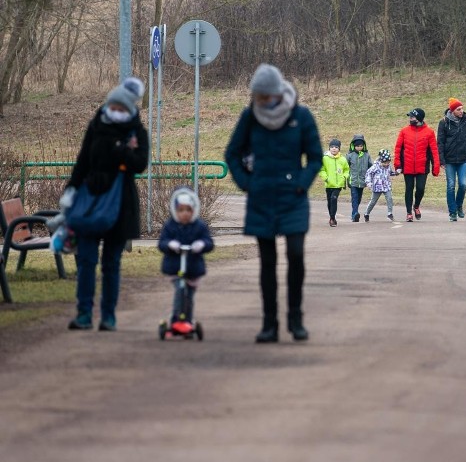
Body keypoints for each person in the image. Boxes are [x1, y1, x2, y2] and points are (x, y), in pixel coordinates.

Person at [225, 63, 323, 343]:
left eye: (265, 96)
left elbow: (315, 157)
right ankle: (270, 323)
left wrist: (302, 183)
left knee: (296, 255)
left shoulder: (301, 116)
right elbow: (232, 154)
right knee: (267, 261)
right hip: (262, 197)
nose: (261, 101)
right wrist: (247, 183)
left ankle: (296, 318)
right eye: (257, 97)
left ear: (277, 93)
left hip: (293, 197)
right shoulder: (250, 117)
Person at [62, 77, 149, 331]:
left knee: (112, 262)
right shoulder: (97, 124)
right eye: (114, 106)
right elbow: (83, 161)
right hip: (90, 200)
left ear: (130, 109)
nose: (117, 111)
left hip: (121, 205)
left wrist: (121, 150)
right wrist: (71, 190)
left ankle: (108, 316)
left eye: (122, 109)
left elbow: (140, 164)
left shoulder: (137, 131)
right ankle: (84, 314)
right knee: (87, 261)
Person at [157, 187, 214, 334]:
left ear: (193, 210)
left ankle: (187, 321)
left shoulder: (199, 226)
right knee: (180, 292)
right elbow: (162, 243)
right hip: (176, 267)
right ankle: (176, 320)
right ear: (175, 210)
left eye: (188, 210)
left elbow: (209, 242)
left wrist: (201, 244)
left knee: (189, 297)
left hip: (193, 268)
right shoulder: (170, 226)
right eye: (181, 210)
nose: (185, 214)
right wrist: (170, 244)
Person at [437, 97, 466, 222]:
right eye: (458, 109)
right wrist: (442, 160)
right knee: (451, 185)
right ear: (452, 111)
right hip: (449, 160)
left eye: (462, 108)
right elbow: (440, 142)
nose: (462, 111)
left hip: (463, 159)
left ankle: (459, 205)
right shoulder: (444, 122)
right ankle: (452, 212)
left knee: (463, 185)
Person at [394, 108, 440, 222]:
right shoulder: (404, 131)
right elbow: (398, 148)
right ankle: (409, 212)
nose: (410, 119)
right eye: (410, 117)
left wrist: (436, 167)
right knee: (409, 189)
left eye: (412, 117)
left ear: (419, 118)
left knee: (420, 188)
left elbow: (434, 151)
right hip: (408, 166)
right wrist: (398, 165)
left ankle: (416, 206)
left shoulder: (429, 132)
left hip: (422, 166)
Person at [319, 138, 350, 227]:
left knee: (334, 198)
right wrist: (326, 178)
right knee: (329, 201)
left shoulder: (343, 159)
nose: (334, 148)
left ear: (339, 148)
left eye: (336, 147)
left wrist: (344, 177)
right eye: (332, 147)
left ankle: (332, 219)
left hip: (338, 185)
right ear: (329, 148)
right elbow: (322, 169)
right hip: (329, 184)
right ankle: (332, 217)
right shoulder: (325, 158)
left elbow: (347, 170)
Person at [364, 149, 398, 222]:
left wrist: (396, 173)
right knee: (373, 201)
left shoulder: (388, 166)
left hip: (386, 186)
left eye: (388, 162)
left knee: (389, 199)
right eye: (384, 163)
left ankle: (390, 213)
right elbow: (368, 173)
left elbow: (390, 173)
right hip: (377, 187)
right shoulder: (375, 166)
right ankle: (366, 213)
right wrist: (369, 183)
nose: (386, 164)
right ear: (381, 161)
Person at [346, 134, 372, 222]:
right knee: (354, 197)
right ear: (353, 146)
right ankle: (354, 214)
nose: (359, 147)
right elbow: (345, 168)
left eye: (361, 146)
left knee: (359, 198)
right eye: (357, 146)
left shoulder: (366, 155)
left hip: (362, 181)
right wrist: (347, 178)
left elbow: (370, 167)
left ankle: (355, 212)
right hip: (353, 181)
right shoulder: (350, 155)